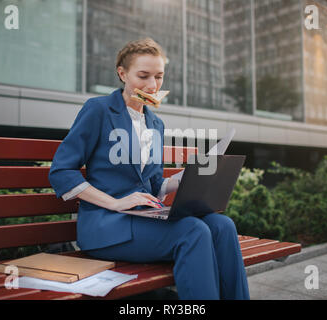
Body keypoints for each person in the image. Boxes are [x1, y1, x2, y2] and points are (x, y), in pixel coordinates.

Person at [49, 38, 250, 300]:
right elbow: (61, 172)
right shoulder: (98, 110)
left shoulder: (155, 123)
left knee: (222, 225)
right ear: (122, 73)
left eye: (159, 77)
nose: (153, 86)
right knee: (194, 231)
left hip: (143, 220)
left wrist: (186, 178)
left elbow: (153, 186)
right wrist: (116, 203)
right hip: (107, 226)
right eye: (143, 76)